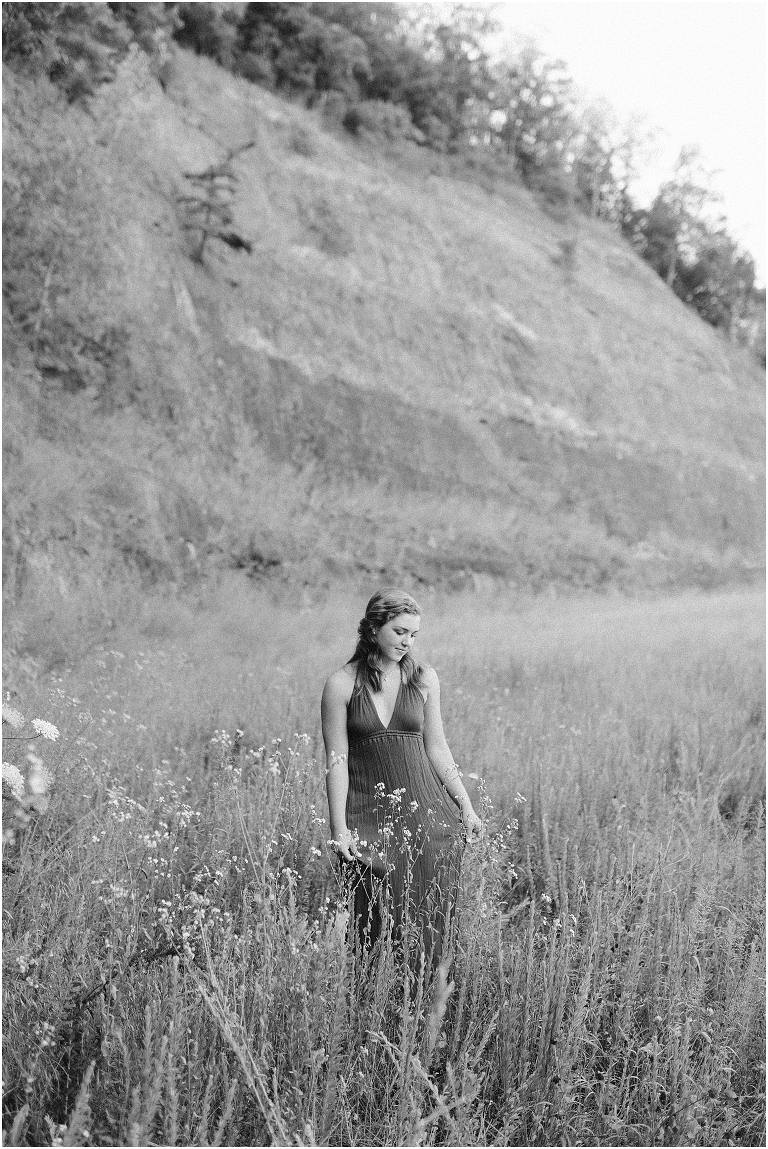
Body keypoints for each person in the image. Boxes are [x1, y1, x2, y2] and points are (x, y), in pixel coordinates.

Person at [321, 589, 482, 980]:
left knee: (427, 924)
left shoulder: (425, 678)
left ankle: (424, 1000)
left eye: (414, 634)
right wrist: (339, 828)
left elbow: (437, 748)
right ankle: (367, 1002)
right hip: (367, 813)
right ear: (374, 627)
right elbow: (336, 761)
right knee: (369, 925)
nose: (408, 641)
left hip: (425, 815)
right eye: (400, 631)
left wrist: (466, 805)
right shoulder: (341, 685)